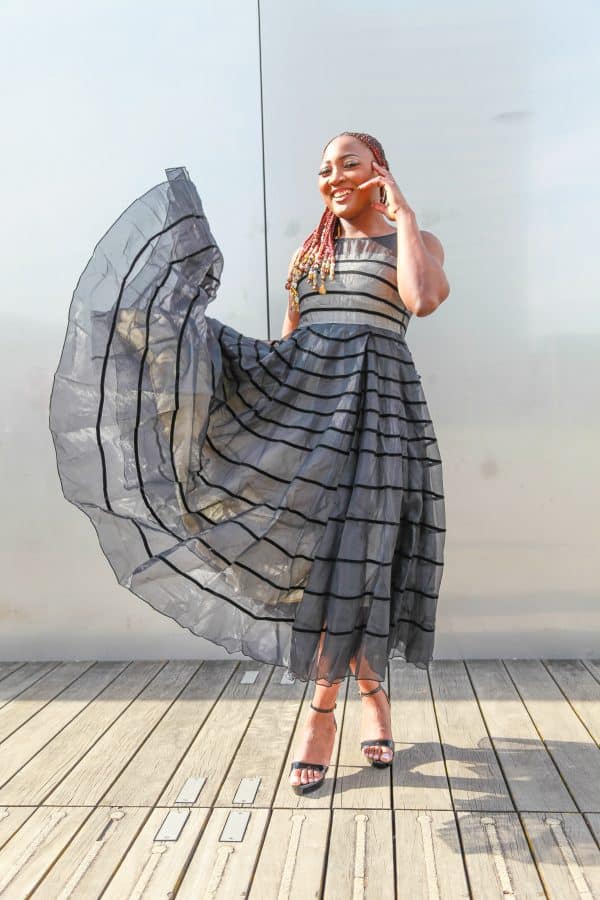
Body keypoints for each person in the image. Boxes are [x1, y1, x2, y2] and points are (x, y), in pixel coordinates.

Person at [49, 131, 449, 798]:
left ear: (379, 169)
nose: (333, 176)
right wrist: (188, 347)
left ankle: (327, 712)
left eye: (349, 164)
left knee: (365, 562)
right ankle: (367, 698)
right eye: (324, 169)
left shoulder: (417, 241)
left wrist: (402, 213)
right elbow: (288, 350)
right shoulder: (309, 256)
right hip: (315, 427)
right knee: (331, 569)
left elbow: (423, 298)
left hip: (382, 424)